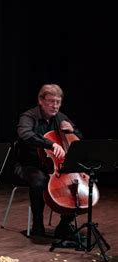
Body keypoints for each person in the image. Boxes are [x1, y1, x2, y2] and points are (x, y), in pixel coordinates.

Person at [15, 83, 83, 238]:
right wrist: (50, 144)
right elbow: (24, 134)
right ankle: (37, 224)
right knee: (39, 182)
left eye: (58, 102)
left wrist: (73, 131)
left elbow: (78, 140)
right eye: (51, 101)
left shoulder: (61, 118)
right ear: (41, 100)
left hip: (57, 167)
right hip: (30, 164)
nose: (55, 106)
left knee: (78, 184)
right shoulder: (28, 116)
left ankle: (64, 225)